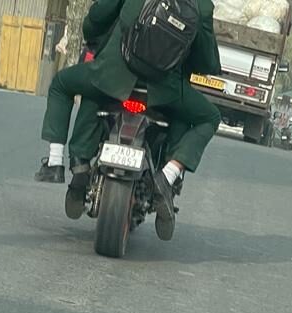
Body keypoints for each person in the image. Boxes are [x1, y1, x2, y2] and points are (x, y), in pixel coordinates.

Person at [34, 0, 222, 241]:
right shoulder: (202, 5)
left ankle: (58, 162)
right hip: (165, 92)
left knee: (65, 85)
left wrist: (96, 36)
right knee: (207, 116)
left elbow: (96, 18)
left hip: (112, 75)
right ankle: (169, 175)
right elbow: (206, 61)